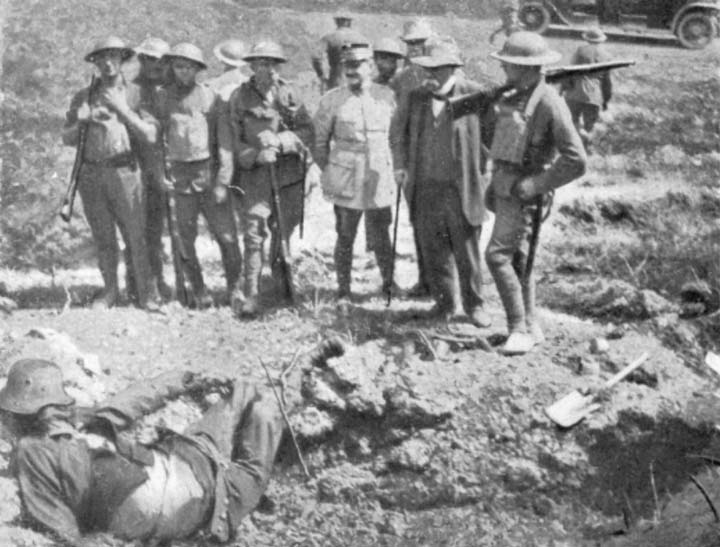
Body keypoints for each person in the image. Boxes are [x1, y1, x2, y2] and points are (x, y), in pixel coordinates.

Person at [0, 358, 283, 546]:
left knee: (243, 460)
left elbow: (56, 521)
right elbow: (131, 401)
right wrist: (185, 379)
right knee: (244, 402)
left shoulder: (31, 449)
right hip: (183, 475)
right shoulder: (80, 421)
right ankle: (280, 390)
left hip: (184, 495)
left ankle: (274, 393)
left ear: (15, 414)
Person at [485, 32, 586, 354]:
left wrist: (536, 185)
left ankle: (518, 330)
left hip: (524, 193)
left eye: (510, 64)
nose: (504, 68)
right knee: (519, 259)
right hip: (507, 188)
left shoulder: (548, 102)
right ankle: (531, 325)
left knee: (497, 256)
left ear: (528, 68)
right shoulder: (518, 95)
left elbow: (576, 160)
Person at [393, 41, 492, 327]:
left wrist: (485, 169)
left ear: (452, 69)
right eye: (427, 69)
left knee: (467, 250)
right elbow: (398, 134)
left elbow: (493, 132)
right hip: (425, 187)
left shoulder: (474, 94)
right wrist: (400, 165)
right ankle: (445, 303)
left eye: (436, 69)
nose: (430, 75)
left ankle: (475, 306)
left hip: (460, 188)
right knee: (434, 248)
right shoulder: (416, 97)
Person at [62, 37, 158, 310]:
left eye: (113, 56)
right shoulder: (83, 96)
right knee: (104, 237)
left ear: (122, 59)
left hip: (125, 171)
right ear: (94, 62)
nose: (107, 63)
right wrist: (81, 121)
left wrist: (122, 108)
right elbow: (66, 137)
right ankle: (110, 292)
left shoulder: (136, 93)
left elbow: (150, 135)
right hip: (92, 174)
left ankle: (146, 295)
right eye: (101, 58)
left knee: (135, 236)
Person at [228, 40, 313, 317]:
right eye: (264, 63)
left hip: (287, 176)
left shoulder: (290, 94)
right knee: (253, 234)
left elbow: (306, 132)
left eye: (275, 63)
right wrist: (255, 155)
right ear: (252, 66)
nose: (271, 69)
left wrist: (281, 141)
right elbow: (233, 141)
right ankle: (252, 294)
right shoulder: (239, 98)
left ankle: (283, 288)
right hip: (254, 177)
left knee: (283, 232)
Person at [155, 43, 242, 308]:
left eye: (189, 67)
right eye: (179, 66)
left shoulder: (211, 97)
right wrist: (160, 173)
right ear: (172, 68)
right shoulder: (163, 97)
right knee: (184, 239)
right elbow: (157, 141)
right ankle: (198, 290)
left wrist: (223, 181)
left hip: (209, 175)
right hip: (180, 179)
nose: (184, 72)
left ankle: (235, 289)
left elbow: (224, 144)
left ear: (198, 69)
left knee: (227, 236)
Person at [314, 40, 399, 300]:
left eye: (358, 64)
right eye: (347, 65)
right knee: (345, 234)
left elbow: (396, 138)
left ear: (370, 65)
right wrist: (332, 171)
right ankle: (343, 290)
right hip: (346, 177)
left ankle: (389, 284)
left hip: (378, 175)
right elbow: (319, 144)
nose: (351, 70)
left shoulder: (387, 96)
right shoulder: (332, 100)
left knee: (381, 232)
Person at [390, 18, 435, 298]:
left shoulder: (445, 70)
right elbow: (398, 125)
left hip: (440, 159)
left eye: (420, 42)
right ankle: (426, 280)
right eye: (410, 44)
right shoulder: (402, 78)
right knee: (418, 220)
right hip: (414, 159)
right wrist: (400, 163)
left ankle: (446, 284)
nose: (414, 48)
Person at [129, 37, 172, 303]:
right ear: (142, 60)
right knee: (142, 229)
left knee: (159, 229)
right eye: (150, 59)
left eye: (161, 61)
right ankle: (141, 284)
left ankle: (158, 280)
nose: (156, 65)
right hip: (138, 167)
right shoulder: (132, 90)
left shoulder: (170, 88)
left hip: (167, 165)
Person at [562, 28, 612, 151]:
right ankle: (586, 147)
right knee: (590, 126)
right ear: (601, 40)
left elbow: (570, 71)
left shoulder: (580, 51)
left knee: (572, 122)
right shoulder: (607, 56)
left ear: (586, 39)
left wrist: (563, 88)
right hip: (594, 96)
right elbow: (607, 82)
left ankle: (575, 144)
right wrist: (606, 100)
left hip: (575, 93)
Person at [311, 12, 363, 91]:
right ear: (349, 22)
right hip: (357, 80)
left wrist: (321, 76)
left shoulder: (329, 37)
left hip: (337, 79)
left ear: (336, 21)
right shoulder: (360, 38)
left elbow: (315, 57)